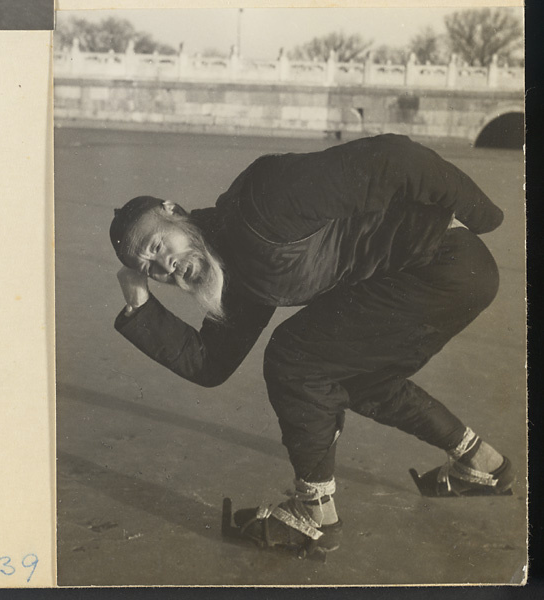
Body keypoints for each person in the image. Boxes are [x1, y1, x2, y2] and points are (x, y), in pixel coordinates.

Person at [110, 134, 513, 557]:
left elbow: (395, 158)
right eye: (150, 269)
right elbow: (210, 364)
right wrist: (141, 305)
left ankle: (313, 513)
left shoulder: (261, 204)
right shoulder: (225, 270)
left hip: (443, 262)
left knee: (295, 358)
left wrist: (484, 216)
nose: (164, 266)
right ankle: (479, 463)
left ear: (172, 211)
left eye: (157, 246)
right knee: (356, 376)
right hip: (430, 278)